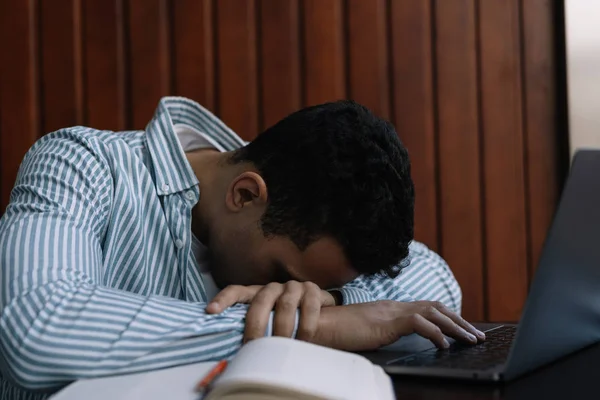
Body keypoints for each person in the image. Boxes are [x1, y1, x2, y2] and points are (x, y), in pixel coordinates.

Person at [0, 97, 483, 399]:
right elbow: (36, 326)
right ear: (245, 195)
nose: (300, 295)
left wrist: (339, 303)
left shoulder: (309, 204)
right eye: (288, 275)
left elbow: (435, 277)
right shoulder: (82, 164)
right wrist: (301, 330)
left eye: (317, 290)